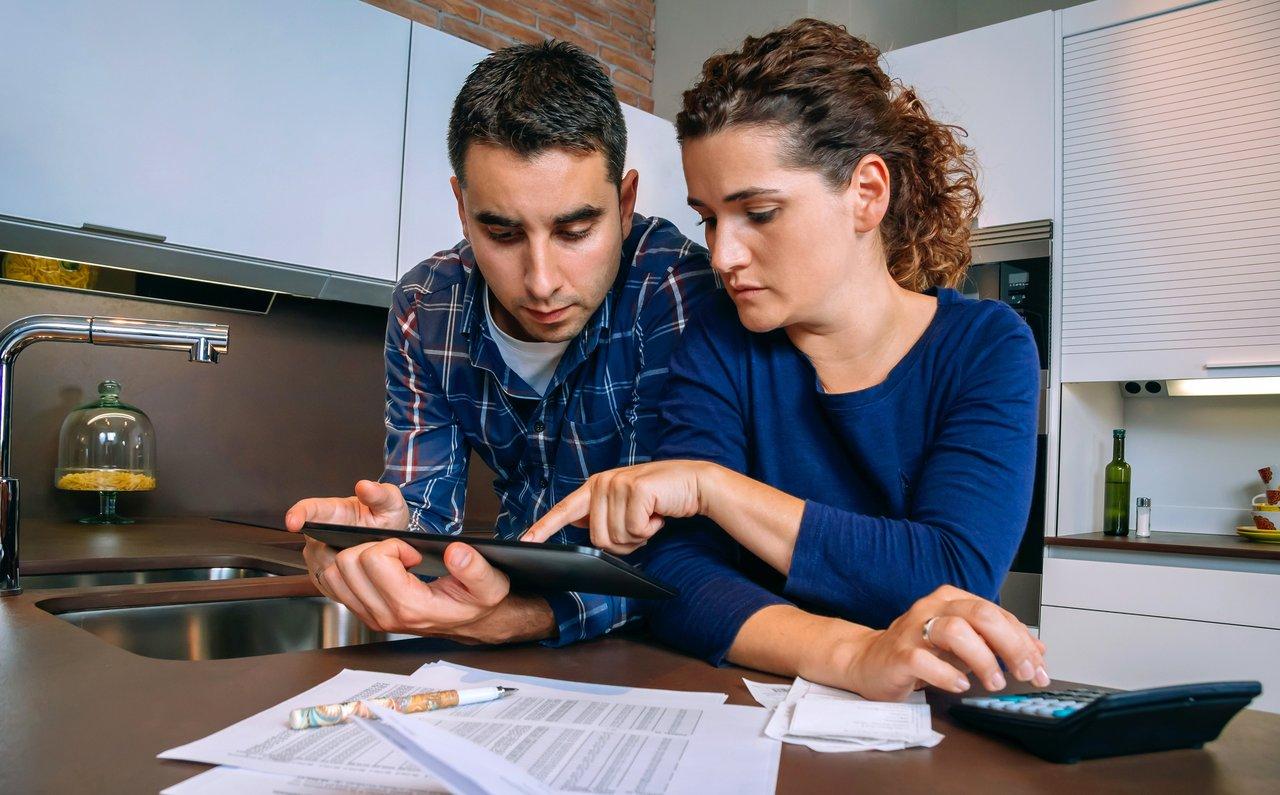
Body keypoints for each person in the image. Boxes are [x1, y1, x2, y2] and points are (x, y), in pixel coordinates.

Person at [524, 19, 1047, 700]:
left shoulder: (987, 347)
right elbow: (675, 574)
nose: (723, 255)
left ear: (866, 193)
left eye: (760, 213)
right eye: (709, 218)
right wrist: (854, 652)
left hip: (930, 725)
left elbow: (950, 571)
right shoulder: (720, 337)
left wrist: (713, 487)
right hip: (755, 705)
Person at [284, 41, 716, 646]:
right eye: (503, 233)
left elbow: (684, 550)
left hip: (651, 642)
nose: (542, 282)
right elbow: (427, 507)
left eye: (575, 230)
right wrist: (394, 532)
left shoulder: (676, 291)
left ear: (624, 203)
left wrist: (515, 620)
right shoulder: (425, 308)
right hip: (500, 617)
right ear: (462, 208)